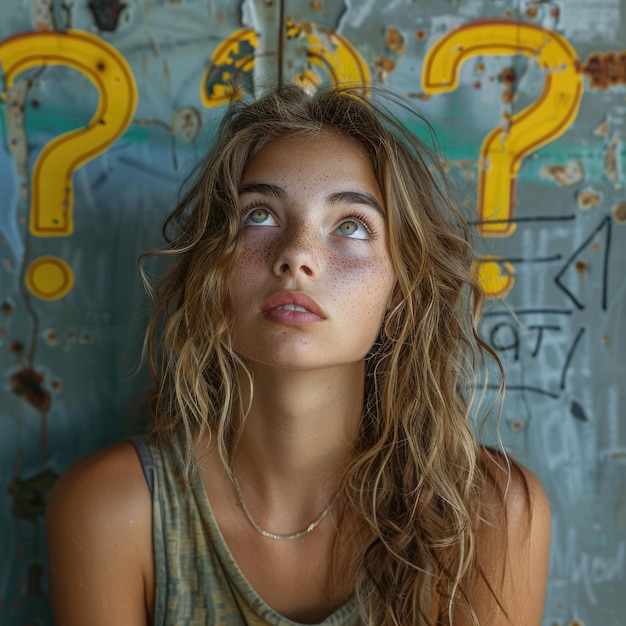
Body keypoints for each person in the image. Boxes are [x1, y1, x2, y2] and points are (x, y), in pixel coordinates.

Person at [46, 83, 551, 625]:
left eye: (351, 226)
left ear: (399, 292)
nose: (296, 257)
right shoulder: (117, 510)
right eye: (258, 216)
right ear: (210, 270)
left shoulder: (487, 513)